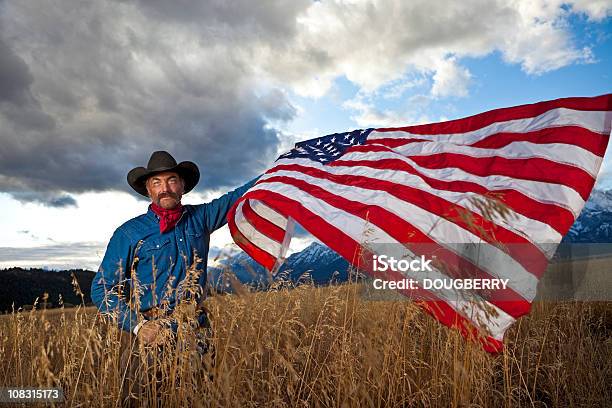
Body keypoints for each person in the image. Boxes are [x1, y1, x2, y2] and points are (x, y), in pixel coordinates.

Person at [90, 150, 258, 403]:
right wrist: (138, 326)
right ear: (148, 189)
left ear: (182, 186)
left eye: (171, 180)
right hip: (154, 333)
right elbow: (101, 289)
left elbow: (238, 197)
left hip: (197, 330)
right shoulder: (129, 233)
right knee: (155, 400)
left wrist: (280, 169)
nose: (164, 188)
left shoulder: (199, 219)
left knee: (201, 398)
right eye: (156, 182)